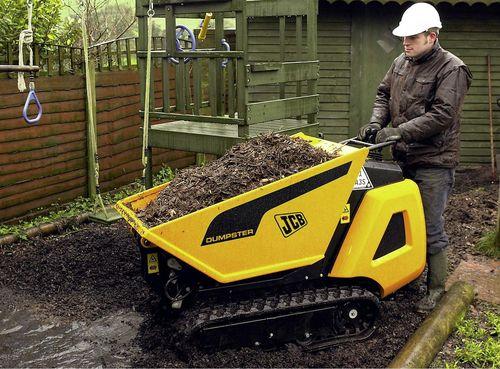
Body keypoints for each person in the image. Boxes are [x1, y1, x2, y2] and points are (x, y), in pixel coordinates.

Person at [358, 3, 472, 312]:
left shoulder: (452, 69)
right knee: (401, 222)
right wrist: (375, 123)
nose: (405, 42)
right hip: (404, 157)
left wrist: (398, 132)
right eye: (403, 38)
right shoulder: (400, 62)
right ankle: (406, 276)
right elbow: (384, 94)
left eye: (412, 37)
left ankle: (436, 290)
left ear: (432, 36)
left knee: (430, 225)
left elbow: (443, 114)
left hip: (434, 161)